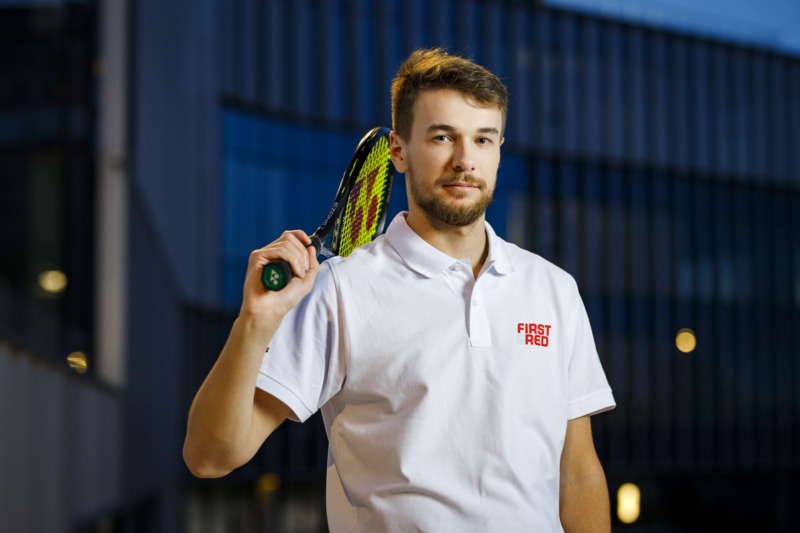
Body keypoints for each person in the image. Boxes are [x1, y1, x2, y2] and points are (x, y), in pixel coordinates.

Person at [183, 48, 616, 532]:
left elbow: (577, 471)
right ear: (398, 151)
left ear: (498, 150)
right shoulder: (341, 290)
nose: (465, 160)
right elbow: (210, 456)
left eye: (482, 139)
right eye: (442, 137)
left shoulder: (553, 289)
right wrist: (254, 321)